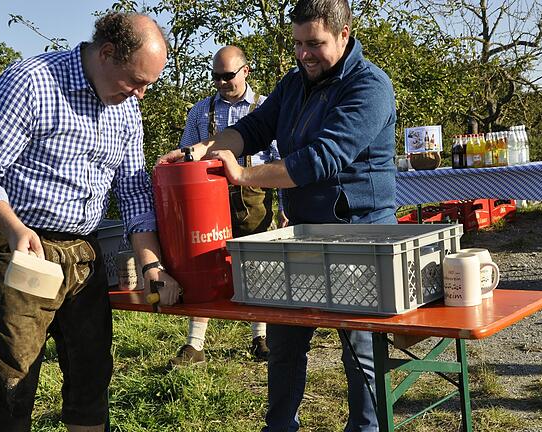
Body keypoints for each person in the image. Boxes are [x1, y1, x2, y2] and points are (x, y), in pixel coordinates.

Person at [158, 0, 397, 430]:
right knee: (285, 340)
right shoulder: (293, 84)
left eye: (315, 44)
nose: (304, 54)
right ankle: (280, 425)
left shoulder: (370, 86)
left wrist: (244, 175)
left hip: (359, 235)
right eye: (298, 44)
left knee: (360, 349)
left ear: (344, 35)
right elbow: (251, 129)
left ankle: (367, 428)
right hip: (302, 234)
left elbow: (322, 159)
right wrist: (201, 150)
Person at [0, 12, 181, 432]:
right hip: (21, 250)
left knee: (92, 376)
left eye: (149, 84)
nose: (142, 94)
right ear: (107, 53)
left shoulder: (127, 108)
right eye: (135, 81)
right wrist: (13, 228)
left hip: (85, 252)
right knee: (12, 381)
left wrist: (151, 264)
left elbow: (133, 192)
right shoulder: (32, 82)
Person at [170, 45, 287, 366]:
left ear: (245, 71)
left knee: (257, 267)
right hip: (205, 201)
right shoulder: (199, 111)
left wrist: (285, 207)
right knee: (205, 268)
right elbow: (185, 159)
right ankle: (195, 345)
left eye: (228, 76)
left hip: (254, 198)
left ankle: (259, 337)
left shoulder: (266, 109)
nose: (221, 82)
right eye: (216, 77)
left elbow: (282, 162)